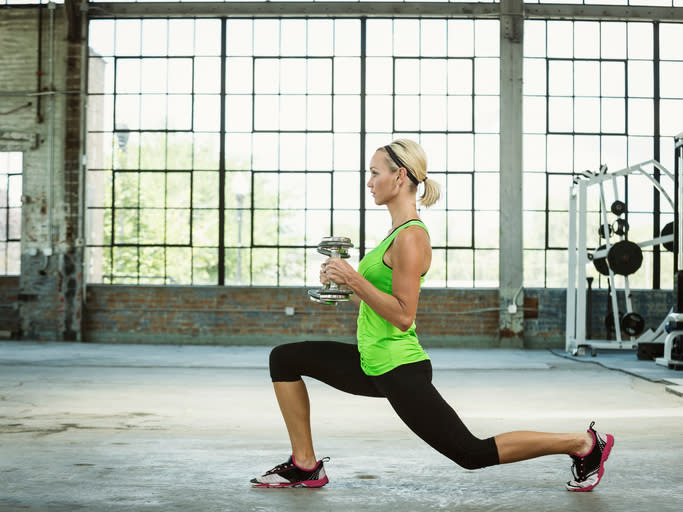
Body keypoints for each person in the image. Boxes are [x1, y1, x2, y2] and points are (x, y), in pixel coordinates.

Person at [250, 139, 614, 491]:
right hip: (370, 361)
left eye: (375, 172)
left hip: (397, 367)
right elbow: (380, 299)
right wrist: (345, 285)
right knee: (284, 358)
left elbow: (404, 315)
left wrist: (355, 280)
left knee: (470, 453)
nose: (368, 181)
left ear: (400, 176)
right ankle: (305, 465)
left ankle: (582, 443)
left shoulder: (411, 237)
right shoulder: (392, 234)